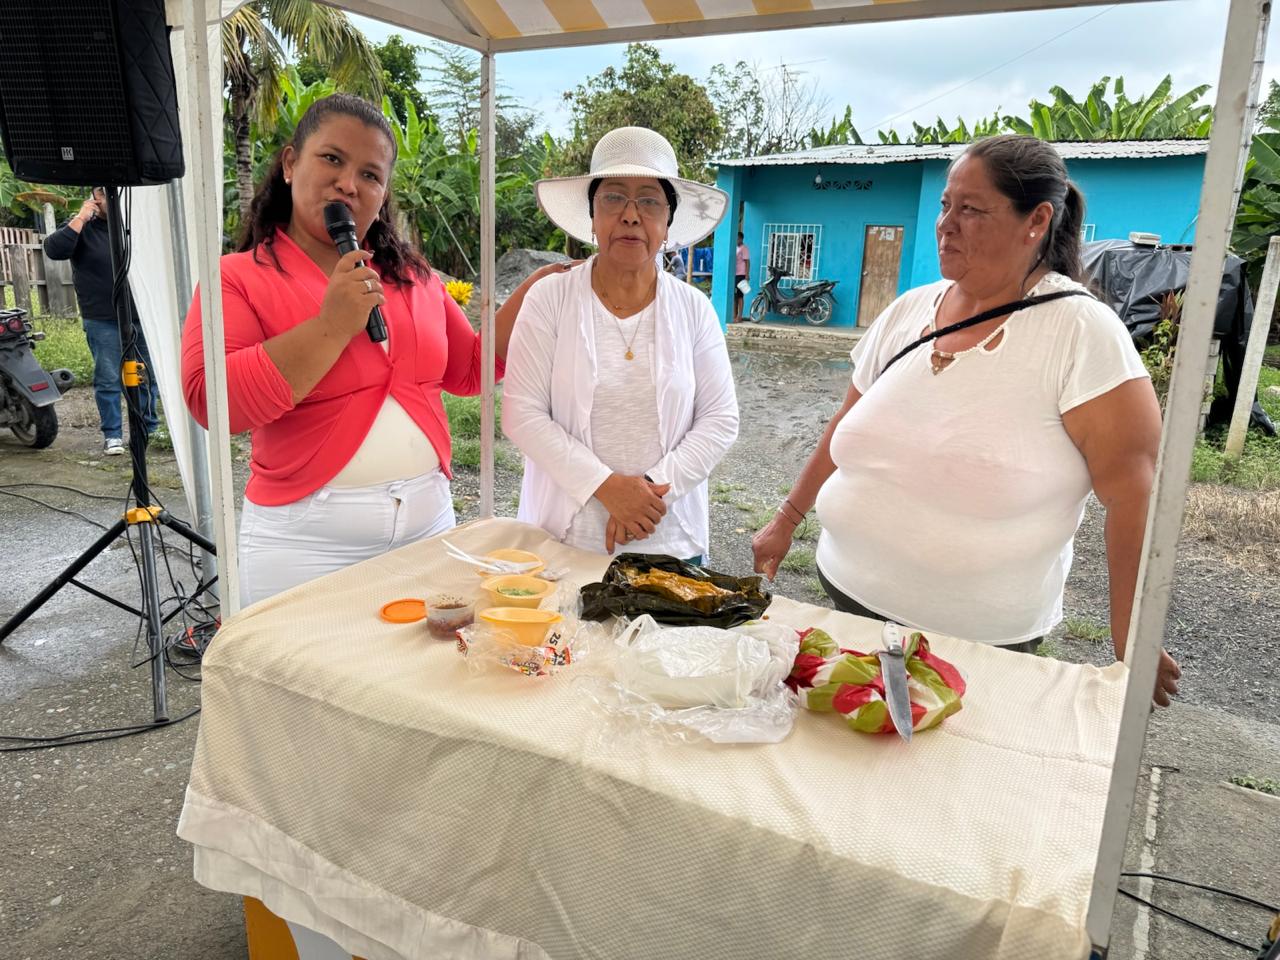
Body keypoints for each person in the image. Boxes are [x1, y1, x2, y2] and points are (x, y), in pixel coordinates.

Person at [752, 134, 1181, 707]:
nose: (946, 225)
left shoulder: (1081, 332)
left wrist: (1133, 634)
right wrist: (785, 520)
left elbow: (1133, 493)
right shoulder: (909, 310)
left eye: (972, 210)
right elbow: (845, 425)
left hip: (978, 643)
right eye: (945, 205)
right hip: (848, 600)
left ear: (1037, 221)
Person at [181, 94, 567, 606]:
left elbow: (469, 370)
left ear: (382, 194)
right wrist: (331, 326)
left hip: (428, 529)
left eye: (370, 174)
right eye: (332, 159)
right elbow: (213, 401)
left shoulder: (412, 276)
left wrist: (532, 294)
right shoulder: (237, 277)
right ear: (291, 164)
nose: (349, 184)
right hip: (303, 547)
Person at [502, 126, 738, 563]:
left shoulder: (694, 309)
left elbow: (720, 419)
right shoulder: (550, 299)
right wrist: (607, 488)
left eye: (649, 201)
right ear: (592, 216)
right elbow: (522, 414)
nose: (631, 215)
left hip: (672, 543)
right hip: (564, 543)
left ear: (667, 222)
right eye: (613, 198)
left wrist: (647, 494)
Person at [43, 187, 160, 455]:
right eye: (104, 193)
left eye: (114, 193)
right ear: (94, 198)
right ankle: (113, 435)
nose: (111, 198)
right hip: (102, 317)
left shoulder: (134, 226)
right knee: (108, 378)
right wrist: (81, 217)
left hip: (141, 316)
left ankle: (149, 430)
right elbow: (54, 249)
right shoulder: (83, 228)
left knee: (145, 376)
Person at [734, 232, 750, 322]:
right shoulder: (736, 248)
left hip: (741, 274)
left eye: (737, 238)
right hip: (735, 274)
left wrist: (747, 275)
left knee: (740, 296)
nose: (736, 240)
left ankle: (739, 316)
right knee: (735, 296)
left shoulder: (744, 248)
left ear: (741, 239)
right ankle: (734, 315)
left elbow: (747, 262)